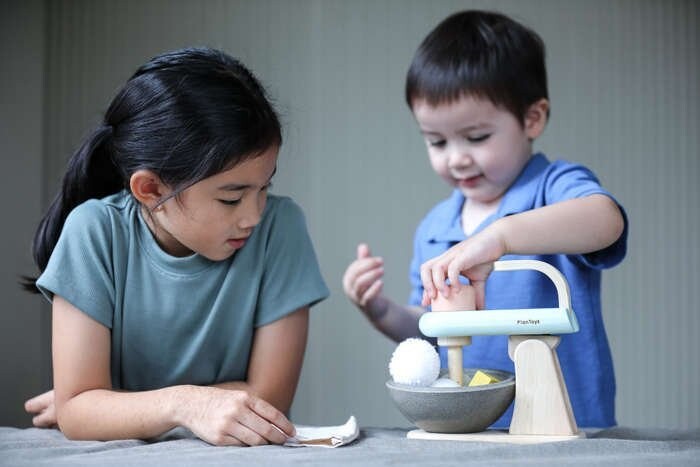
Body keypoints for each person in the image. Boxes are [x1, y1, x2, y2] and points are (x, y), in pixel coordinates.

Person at [22, 47, 329, 446]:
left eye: (264, 188)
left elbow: (269, 398)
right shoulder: (93, 232)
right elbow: (79, 411)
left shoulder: (280, 228)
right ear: (151, 189)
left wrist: (117, 407)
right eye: (231, 198)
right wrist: (184, 405)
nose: (253, 215)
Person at [342, 10, 627, 428]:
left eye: (476, 137)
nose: (456, 158)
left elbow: (606, 220)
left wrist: (500, 237)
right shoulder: (436, 228)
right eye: (437, 141)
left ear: (532, 119)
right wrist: (380, 310)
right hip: (472, 431)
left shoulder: (553, 188)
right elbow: (430, 328)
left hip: (568, 427)